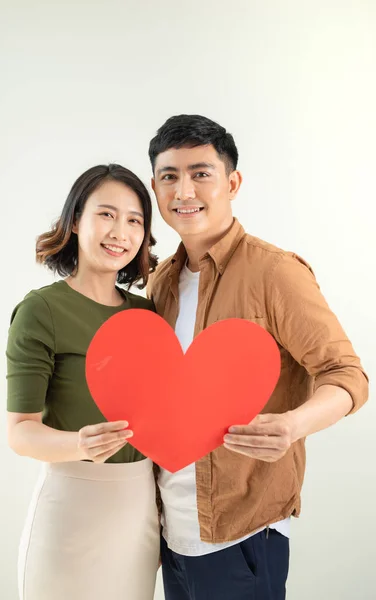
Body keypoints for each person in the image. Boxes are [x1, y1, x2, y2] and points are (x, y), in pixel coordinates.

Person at [147, 115, 369, 600]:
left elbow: (347, 376)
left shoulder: (275, 273)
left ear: (232, 182)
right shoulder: (160, 282)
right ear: (155, 187)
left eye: (201, 173)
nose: (184, 189)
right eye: (169, 176)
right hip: (172, 532)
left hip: (244, 533)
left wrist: (293, 424)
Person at [6, 164, 160, 600]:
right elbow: (20, 431)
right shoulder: (42, 311)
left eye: (135, 220)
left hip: (140, 517)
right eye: (106, 215)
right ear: (75, 221)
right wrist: (81, 444)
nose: (121, 232)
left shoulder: (148, 315)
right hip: (69, 516)